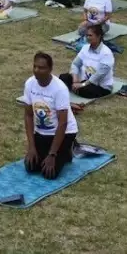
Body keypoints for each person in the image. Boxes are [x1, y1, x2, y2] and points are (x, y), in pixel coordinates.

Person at [23, 51, 79, 179]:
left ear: (50, 69)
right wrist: (31, 147)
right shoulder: (30, 84)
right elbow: (28, 115)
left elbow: (63, 123)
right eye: (35, 66)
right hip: (42, 132)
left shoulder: (59, 89)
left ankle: (65, 152)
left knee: (49, 173)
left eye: (41, 67)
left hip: (64, 132)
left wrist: (52, 155)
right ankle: (57, 151)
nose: (37, 70)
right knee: (31, 166)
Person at [60, 24, 115, 99]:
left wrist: (82, 85)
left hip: (99, 85)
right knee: (63, 77)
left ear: (98, 36)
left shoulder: (106, 53)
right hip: (83, 80)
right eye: (87, 35)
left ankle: (75, 89)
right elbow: (76, 64)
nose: (88, 38)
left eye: (90, 35)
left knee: (86, 90)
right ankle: (76, 88)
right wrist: (75, 80)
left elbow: (98, 76)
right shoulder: (85, 48)